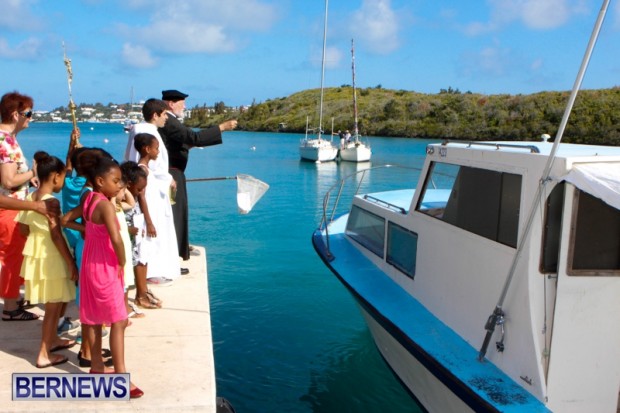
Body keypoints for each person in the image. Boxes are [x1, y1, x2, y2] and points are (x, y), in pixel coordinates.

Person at [65, 151, 143, 398]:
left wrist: (86, 230)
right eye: (117, 181)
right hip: (106, 267)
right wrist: (121, 262)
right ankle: (121, 377)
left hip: (89, 264)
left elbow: (65, 218)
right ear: (100, 181)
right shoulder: (106, 206)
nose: (120, 185)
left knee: (93, 319)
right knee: (118, 322)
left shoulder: (88, 200)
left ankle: (97, 367)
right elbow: (117, 238)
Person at [158, 89, 237, 262]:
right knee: (176, 214)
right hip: (172, 174)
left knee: (178, 213)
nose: (185, 106)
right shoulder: (170, 121)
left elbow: (182, 143)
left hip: (175, 172)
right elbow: (194, 137)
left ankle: (179, 248)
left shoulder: (169, 121)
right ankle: (175, 255)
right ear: (171, 103)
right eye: (182, 102)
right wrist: (221, 127)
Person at [0, 91, 59, 321]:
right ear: (16, 115)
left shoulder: (8, 140)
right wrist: (32, 173)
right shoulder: (5, 142)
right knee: (14, 257)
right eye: (28, 114)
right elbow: (7, 181)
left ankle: (13, 299)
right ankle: (11, 307)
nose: (30, 118)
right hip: (10, 209)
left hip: (13, 206)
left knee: (16, 255)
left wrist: (27, 176)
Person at [16, 151, 78, 368]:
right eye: (62, 176)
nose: (62, 181)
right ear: (54, 176)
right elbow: (55, 234)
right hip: (52, 256)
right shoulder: (51, 201)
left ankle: (52, 340)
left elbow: (23, 229)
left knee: (56, 301)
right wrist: (70, 262)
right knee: (52, 309)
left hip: (36, 255)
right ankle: (44, 353)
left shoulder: (30, 198)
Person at [125, 98, 180, 284]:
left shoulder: (147, 132)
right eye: (164, 114)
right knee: (152, 230)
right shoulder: (144, 132)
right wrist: (168, 179)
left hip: (156, 188)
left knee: (159, 229)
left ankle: (158, 268)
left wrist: (168, 179)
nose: (166, 118)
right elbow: (151, 169)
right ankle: (152, 271)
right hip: (150, 191)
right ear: (155, 115)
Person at [120, 161, 161, 309]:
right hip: (126, 235)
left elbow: (141, 201)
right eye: (139, 189)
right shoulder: (120, 197)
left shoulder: (135, 196)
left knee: (142, 258)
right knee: (128, 265)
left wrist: (147, 222)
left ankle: (142, 293)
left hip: (136, 230)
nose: (140, 192)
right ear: (129, 183)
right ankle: (134, 298)